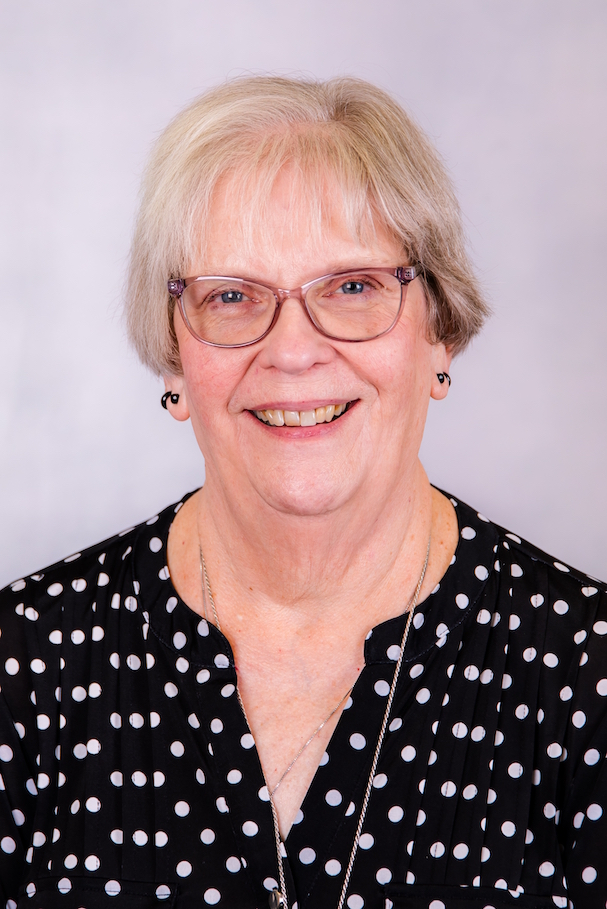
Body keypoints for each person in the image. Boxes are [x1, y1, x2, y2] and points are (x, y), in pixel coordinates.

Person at [0, 76, 605, 909]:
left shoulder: (586, 670)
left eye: (352, 286)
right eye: (232, 296)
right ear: (176, 358)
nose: (292, 351)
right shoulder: (26, 666)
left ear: (438, 331)